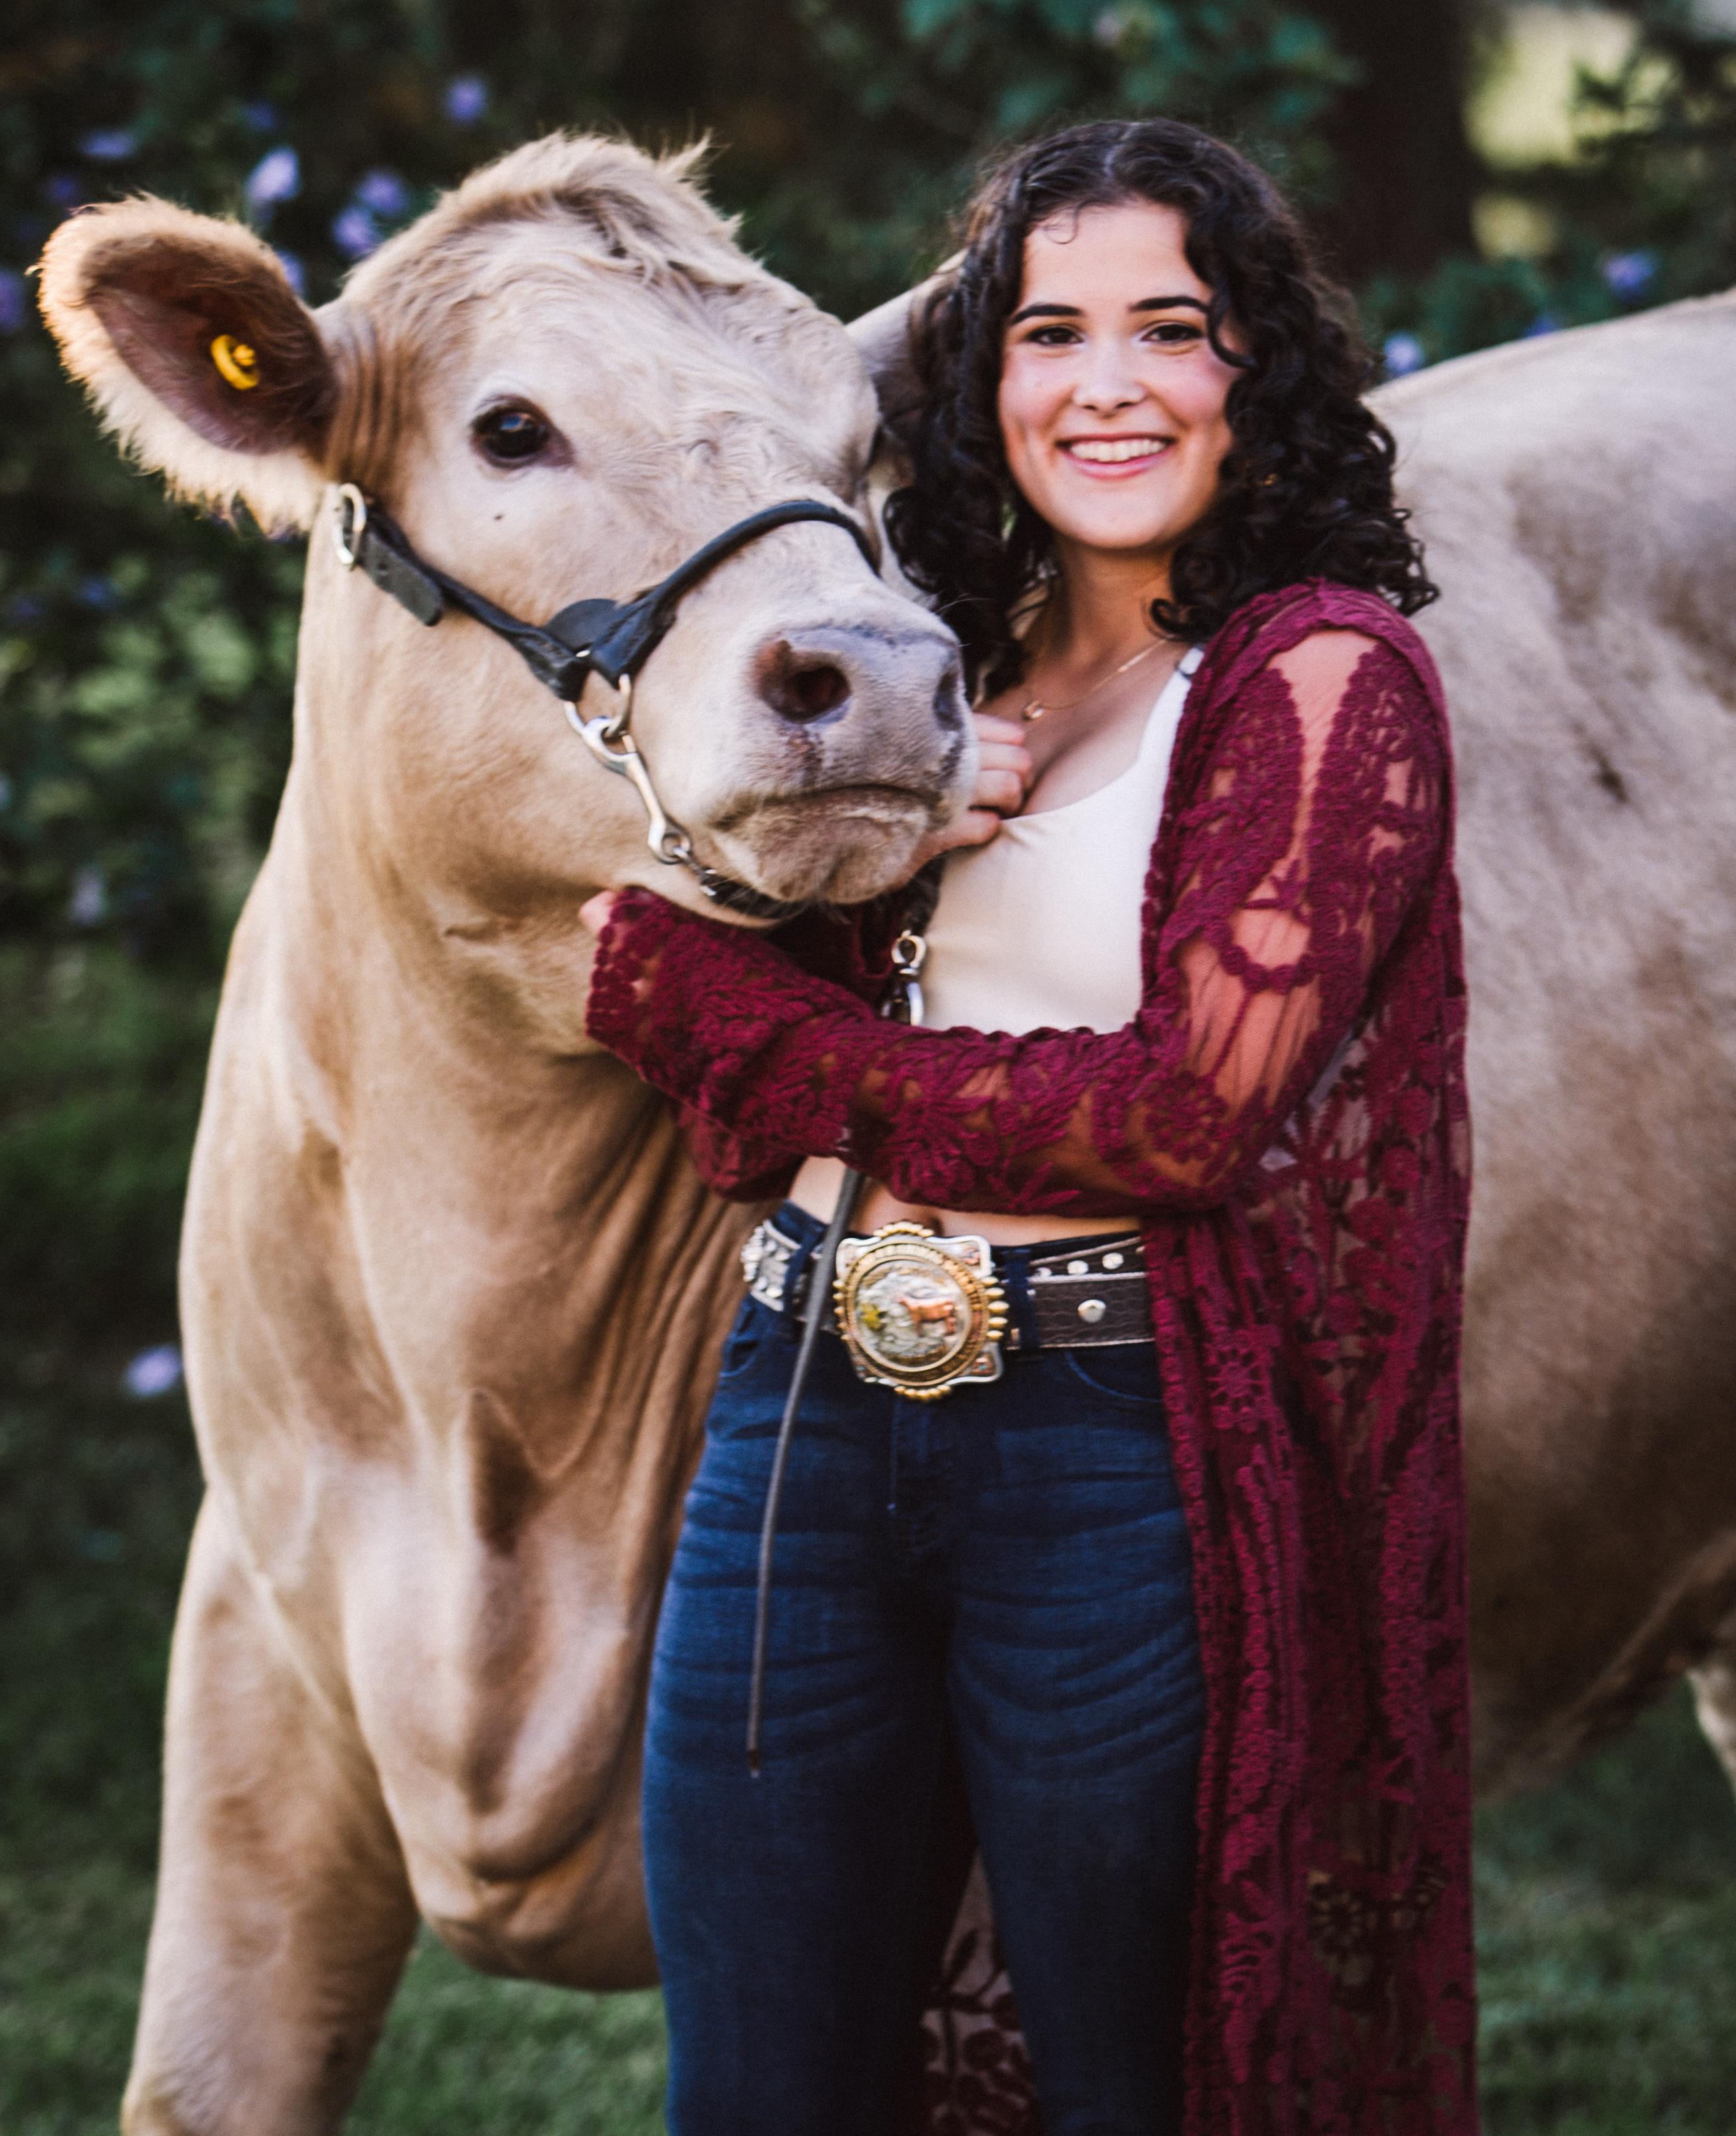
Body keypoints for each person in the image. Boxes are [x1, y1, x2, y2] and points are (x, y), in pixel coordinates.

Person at [582, 119, 1476, 2136]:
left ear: (1255, 369)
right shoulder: (935, 677)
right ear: (982, 380)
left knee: (1121, 2088)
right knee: (758, 2088)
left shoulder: (1321, 680)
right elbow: (750, 1066)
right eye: (1047, 333)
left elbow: (1180, 1116)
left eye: (1170, 328)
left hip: (1105, 1448)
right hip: (795, 1406)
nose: (1104, 384)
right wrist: (873, 851)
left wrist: (704, 999)